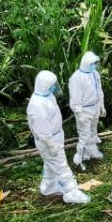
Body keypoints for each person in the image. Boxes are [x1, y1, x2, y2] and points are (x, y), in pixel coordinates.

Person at [27, 70, 90, 204]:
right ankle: (71, 192)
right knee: (61, 165)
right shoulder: (37, 105)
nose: (55, 87)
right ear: (45, 85)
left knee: (51, 164)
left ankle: (48, 187)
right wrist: (50, 144)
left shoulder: (47, 96)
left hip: (55, 136)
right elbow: (41, 129)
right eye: (52, 84)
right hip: (48, 140)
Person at [67, 51, 106, 168]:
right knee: (84, 133)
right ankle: (80, 157)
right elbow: (75, 97)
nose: (95, 66)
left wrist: (101, 106)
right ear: (86, 63)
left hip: (95, 107)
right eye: (93, 63)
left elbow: (99, 91)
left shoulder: (95, 74)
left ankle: (92, 151)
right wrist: (79, 113)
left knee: (93, 131)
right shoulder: (76, 77)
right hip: (84, 110)